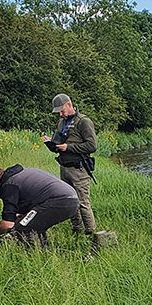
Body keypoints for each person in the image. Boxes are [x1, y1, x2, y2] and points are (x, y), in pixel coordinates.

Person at [41, 93, 98, 235]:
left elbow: (92, 146)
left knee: (83, 202)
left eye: (62, 110)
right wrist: (51, 143)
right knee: (70, 200)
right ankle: (76, 230)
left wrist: (69, 147)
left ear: (69, 105)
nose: (60, 114)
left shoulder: (83, 121)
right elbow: (58, 145)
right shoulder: (61, 122)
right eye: (58, 112)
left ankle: (91, 233)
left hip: (79, 169)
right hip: (64, 167)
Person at [0, 165, 79, 247]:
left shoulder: (9, 185)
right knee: (33, 224)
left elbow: (7, 224)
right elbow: (37, 198)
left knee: (22, 227)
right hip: (72, 200)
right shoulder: (22, 173)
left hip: (60, 201)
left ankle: (38, 255)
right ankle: (45, 250)